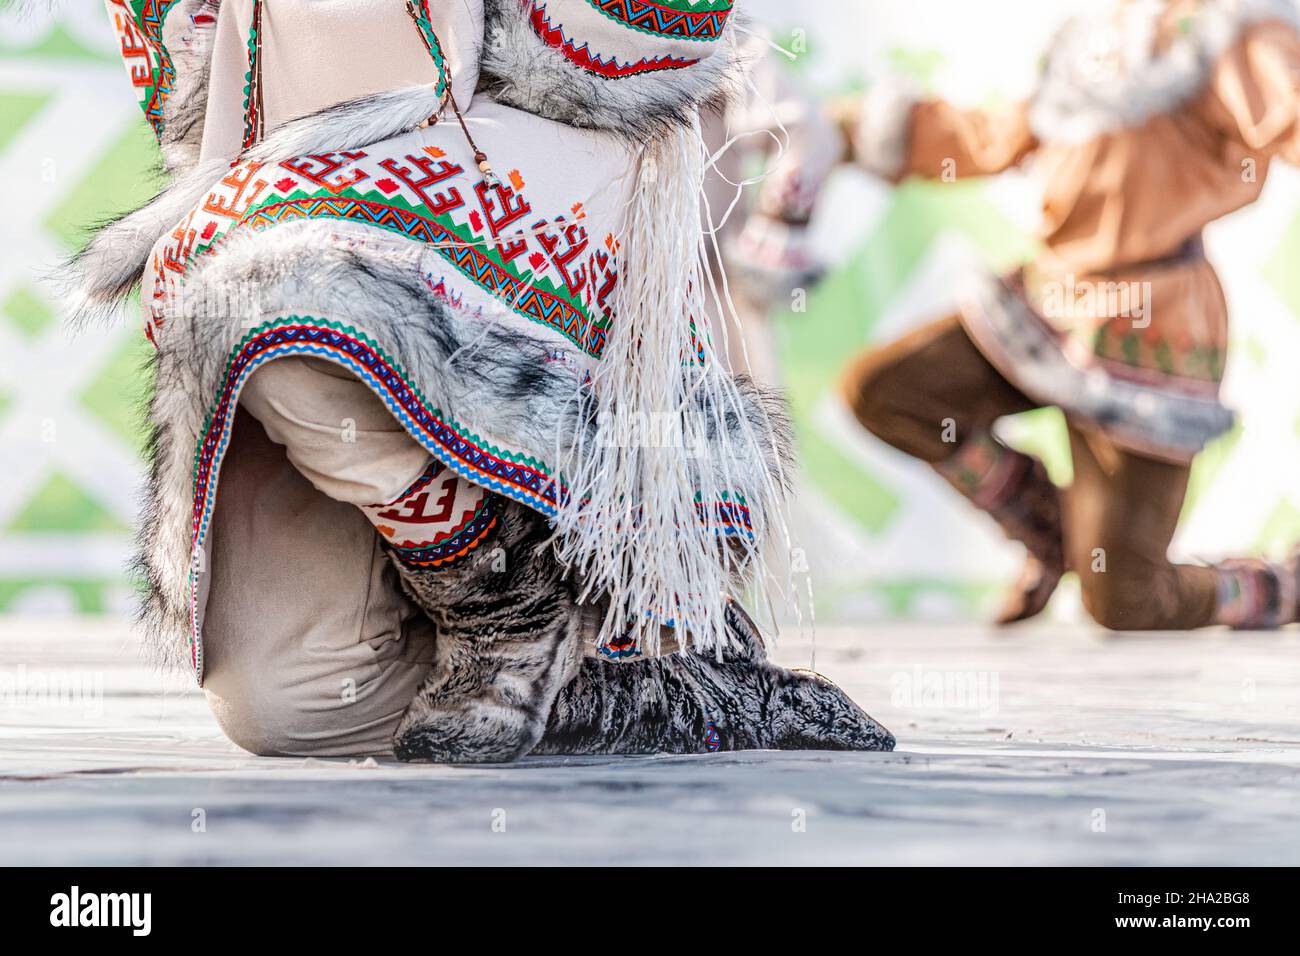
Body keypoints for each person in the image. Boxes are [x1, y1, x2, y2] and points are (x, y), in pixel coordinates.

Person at [76, 0, 893, 760]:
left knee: (246, 275)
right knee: (289, 703)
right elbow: (182, 69)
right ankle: (640, 687)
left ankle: (508, 610)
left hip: (518, 146)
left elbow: (644, 43)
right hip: (298, 192)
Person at [838, 0, 1300, 631]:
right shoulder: (1095, 40)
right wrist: (842, 129)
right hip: (1045, 310)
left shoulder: (1233, 32)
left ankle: (1279, 589)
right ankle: (1050, 528)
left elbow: (1289, 109)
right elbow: (991, 134)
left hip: (1153, 333)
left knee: (1126, 601)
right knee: (887, 391)